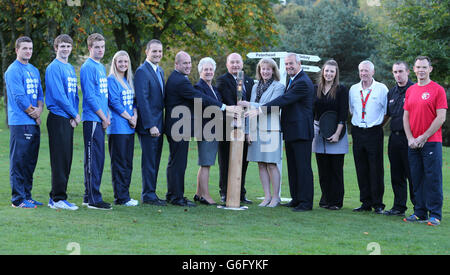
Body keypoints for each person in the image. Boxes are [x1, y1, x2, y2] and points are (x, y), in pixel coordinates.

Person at [164, 51, 239, 207]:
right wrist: (225, 107)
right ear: (176, 64)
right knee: (179, 163)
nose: (187, 66)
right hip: (180, 127)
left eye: (189, 62)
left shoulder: (178, 79)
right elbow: (200, 99)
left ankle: (173, 194)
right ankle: (177, 197)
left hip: (180, 127)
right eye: (184, 63)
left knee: (176, 162)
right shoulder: (181, 81)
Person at [245, 53, 315, 212]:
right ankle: (296, 199)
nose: (289, 66)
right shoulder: (293, 80)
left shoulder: (303, 81)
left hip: (301, 131)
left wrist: (259, 109)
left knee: (303, 167)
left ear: (299, 63)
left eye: (291, 64)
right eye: (287, 64)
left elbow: (284, 100)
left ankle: (305, 202)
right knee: (293, 167)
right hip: (292, 130)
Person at [403, 56, 447, 226]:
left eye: (424, 67)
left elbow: (441, 117)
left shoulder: (438, 90)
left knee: (432, 178)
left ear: (430, 69)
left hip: (431, 141)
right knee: (416, 178)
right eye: (418, 67)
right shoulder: (411, 90)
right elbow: (405, 117)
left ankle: (435, 214)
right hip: (413, 142)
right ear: (414, 69)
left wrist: (424, 136)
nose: (421, 70)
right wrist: (410, 138)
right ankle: (419, 212)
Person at [238, 58, 284, 207]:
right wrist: (247, 131)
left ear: (273, 71)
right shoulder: (255, 86)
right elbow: (250, 112)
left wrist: (249, 104)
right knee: (261, 164)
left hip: (271, 129)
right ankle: (267, 196)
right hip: (255, 130)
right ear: (259, 71)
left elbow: (270, 107)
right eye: (263, 69)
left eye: (268, 69)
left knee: (271, 164)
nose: (265, 71)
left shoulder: (279, 87)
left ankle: (276, 197)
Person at [5, 36, 44, 208]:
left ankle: (27, 196)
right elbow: (19, 97)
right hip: (20, 122)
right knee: (19, 161)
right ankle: (18, 199)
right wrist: (34, 114)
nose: (28, 51)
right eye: (24, 48)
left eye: (30, 48)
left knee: (30, 162)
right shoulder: (13, 70)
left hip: (33, 122)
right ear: (17, 50)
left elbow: (40, 95)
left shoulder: (34, 70)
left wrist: (40, 110)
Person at [45, 34, 80, 210]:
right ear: (56, 48)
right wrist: (74, 113)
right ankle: (57, 199)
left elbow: (74, 95)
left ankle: (60, 197)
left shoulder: (70, 68)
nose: (65, 49)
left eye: (68, 46)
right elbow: (59, 96)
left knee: (67, 159)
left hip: (68, 118)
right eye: (62, 46)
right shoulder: (53, 68)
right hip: (58, 117)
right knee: (59, 159)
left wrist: (74, 116)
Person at [349, 60, 388, 214]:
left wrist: (376, 125)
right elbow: (352, 110)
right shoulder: (353, 89)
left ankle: (378, 204)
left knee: (376, 168)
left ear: (373, 72)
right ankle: (365, 202)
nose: (363, 73)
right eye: (361, 71)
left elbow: (386, 112)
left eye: (366, 71)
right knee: (361, 168)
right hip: (358, 132)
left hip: (374, 131)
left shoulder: (381, 89)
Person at [216, 53, 254, 204]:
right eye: (232, 62)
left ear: (242, 63)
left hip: (246, 126)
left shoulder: (249, 81)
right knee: (225, 160)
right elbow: (226, 99)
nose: (235, 65)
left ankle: (240, 192)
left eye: (238, 62)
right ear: (227, 64)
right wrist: (237, 111)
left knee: (243, 160)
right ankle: (225, 192)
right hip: (227, 126)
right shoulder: (222, 80)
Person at [311, 60, 348, 210]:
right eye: (327, 71)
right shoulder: (316, 89)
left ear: (336, 73)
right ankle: (325, 199)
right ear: (323, 72)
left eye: (332, 71)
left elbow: (343, 113)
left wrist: (337, 134)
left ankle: (336, 202)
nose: (329, 74)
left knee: (336, 169)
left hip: (337, 130)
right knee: (323, 169)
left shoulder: (341, 89)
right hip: (319, 131)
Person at [80, 33, 111, 210]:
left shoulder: (100, 67)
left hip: (100, 119)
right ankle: (93, 199)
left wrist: (106, 117)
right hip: (92, 120)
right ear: (90, 48)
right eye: (97, 47)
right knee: (93, 160)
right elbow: (90, 97)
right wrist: (103, 117)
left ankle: (88, 196)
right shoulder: (87, 67)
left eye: (102, 46)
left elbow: (103, 96)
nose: (100, 50)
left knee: (99, 159)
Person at [134, 39, 166, 206]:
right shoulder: (142, 71)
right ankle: (148, 194)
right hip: (149, 126)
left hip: (159, 124)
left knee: (155, 160)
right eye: (154, 51)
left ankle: (152, 192)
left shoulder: (159, 71)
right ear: (147, 52)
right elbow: (142, 100)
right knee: (149, 161)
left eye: (160, 51)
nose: (157, 54)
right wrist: (150, 125)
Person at [107, 50, 138, 206]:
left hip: (129, 128)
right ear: (115, 63)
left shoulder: (128, 80)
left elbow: (134, 103)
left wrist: (135, 117)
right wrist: (129, 117)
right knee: (119, 163)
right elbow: (114, 102)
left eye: (126, 62)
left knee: (127, 163)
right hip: (118, 128)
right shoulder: (111, 80)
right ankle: (121, 197)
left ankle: (126, 195)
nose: (123, 64)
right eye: (120, 62)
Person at [384, 61, 415, 216]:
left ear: (408, 72)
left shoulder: (414, 90)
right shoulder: (392, 92)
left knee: (412, 174)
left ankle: (419, 208)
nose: (398, 74)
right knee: (396, 174)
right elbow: (387, 115)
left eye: (401, 71)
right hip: (394, 138)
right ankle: (398, 207)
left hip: (409, 139)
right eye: (395, 72)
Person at [193, 57, 222, 206]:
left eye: (211, 69)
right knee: (206, 163)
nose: (209, 72)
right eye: (206, 69)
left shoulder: (214, 89)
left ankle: (199, 193)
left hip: (214, 130)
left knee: (205, 163)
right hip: (206, 130)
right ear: (200, 71)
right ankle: (205, 195)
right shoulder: (198, 88)